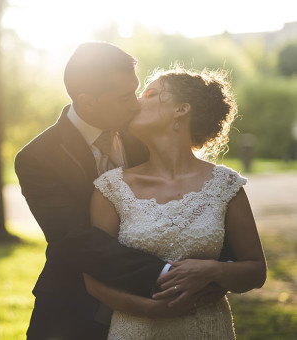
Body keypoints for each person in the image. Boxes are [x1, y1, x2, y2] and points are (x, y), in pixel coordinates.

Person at [15, 42, 228, 339]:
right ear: (88, 102)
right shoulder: (38, 157)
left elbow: (185, 196)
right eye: (125, 96)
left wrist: (215, 269)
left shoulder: (143, 131)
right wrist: (167, 275)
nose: (136, 103)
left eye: (137, 90)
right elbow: (75, 239)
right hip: (73, 311)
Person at [84, 67, 267, 339]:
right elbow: (93, 279)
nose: (136, 103)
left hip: (206, 328)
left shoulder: (225, 185)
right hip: (135, 329)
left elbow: (256, 271)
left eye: (152, 94)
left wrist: (212, 270)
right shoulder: (111, 188)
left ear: (181, 110)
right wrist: (148, 309)